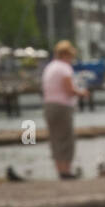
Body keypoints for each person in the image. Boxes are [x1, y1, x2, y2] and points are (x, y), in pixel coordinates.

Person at [41, 40, 89, 179]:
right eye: (71, 55)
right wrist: (82, 93)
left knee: (55, 138)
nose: (72, 58)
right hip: (62, 106)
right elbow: (69, 90)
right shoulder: (64, 68)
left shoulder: (50, 67)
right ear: (66, 54)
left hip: (49, 106)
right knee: (67, 138)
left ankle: (60, 170)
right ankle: (66, 171)